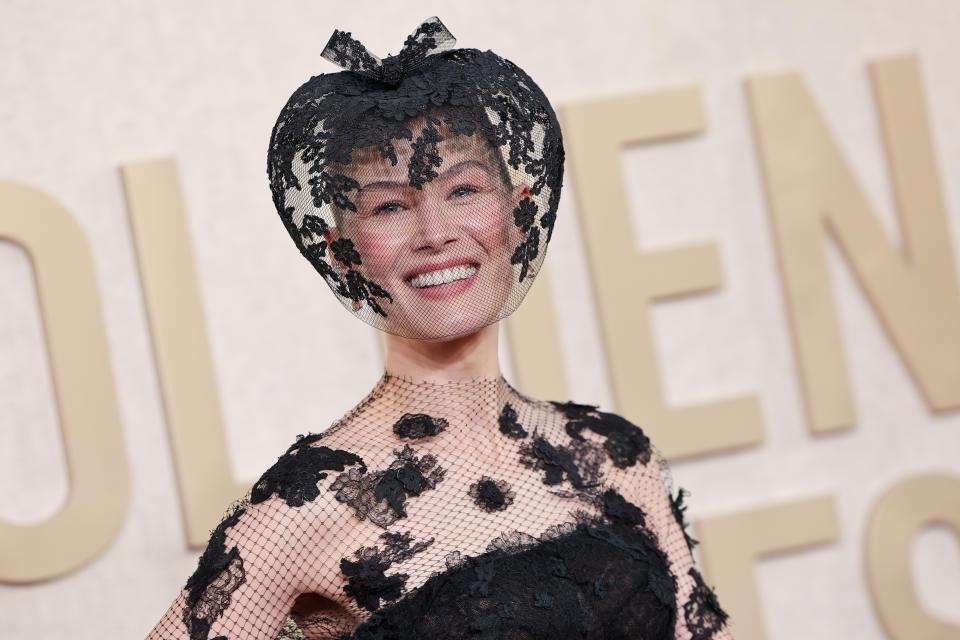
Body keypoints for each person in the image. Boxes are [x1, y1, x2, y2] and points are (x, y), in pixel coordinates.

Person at [145, 17, 734, 640]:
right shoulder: (309, 507)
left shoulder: (616, 457)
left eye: (462, 191)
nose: (435, 234)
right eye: (390, 205)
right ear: (343, 252)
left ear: (518, 212)